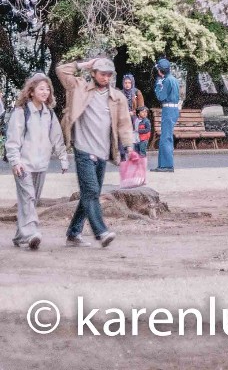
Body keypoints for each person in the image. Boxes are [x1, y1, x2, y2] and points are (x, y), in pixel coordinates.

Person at [55, 56, 135, 247]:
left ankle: (74, 233)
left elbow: (124, 124)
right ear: (93, 73)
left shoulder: (117, 98)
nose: (106, 78)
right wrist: (86, 64)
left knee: (89, 193)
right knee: (91, 192)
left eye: (109, 75)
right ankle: (101, 231)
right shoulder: (79, 88)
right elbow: (61, 71)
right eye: (102, 74)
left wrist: (130, 146)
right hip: (83, 149)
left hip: (102, 152)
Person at [5, 74, 65, 251]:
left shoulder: (49, 113)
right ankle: (32, 233)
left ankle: (19, 236)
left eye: (47, 89)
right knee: (28, 198)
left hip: (42, 165)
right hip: (24, 164)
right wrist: (15, 161)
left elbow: (56, 137)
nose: (45, 92)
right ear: (31, 92)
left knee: (31, 201)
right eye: (41, 89)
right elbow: (13, 139)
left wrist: (62, 158)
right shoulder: (21, 112)